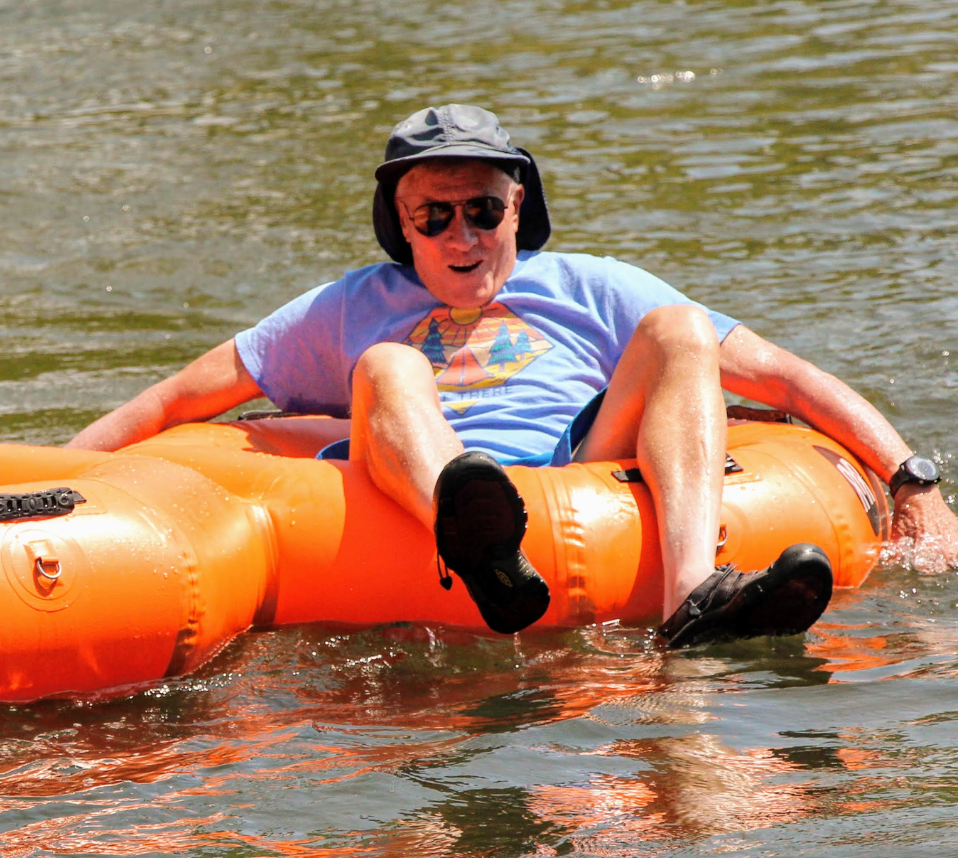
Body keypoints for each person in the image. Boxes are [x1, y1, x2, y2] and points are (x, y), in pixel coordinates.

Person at [69, 104, 958, 647]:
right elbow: (181, 399)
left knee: (682, 328)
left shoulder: (591, 285)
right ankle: (474, 543)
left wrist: (914, 483)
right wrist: (55, 476)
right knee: (385, 364)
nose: (462, 236)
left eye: (484, 210)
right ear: (402, 225)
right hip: (416, 489)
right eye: (436, 216)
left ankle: (691, 600)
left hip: (575, 462)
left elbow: (791, 382)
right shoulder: (346, 308)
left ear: (518, 206)